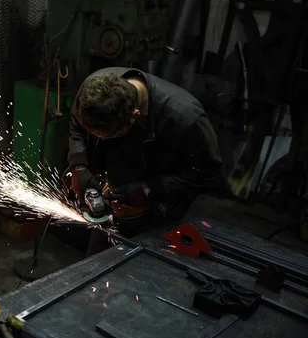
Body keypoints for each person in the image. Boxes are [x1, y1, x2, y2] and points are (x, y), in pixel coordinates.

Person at [67, 67, 225, 256]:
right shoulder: (93, 91)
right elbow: (76, 125)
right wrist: (78, 164)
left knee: (144, 270)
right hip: (117, 207)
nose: (101, 141)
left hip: (160, 213)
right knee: (97, 265)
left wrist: (150, 188)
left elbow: (209, 176)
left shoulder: (185, 118)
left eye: (108, 136)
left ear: (135, 115)